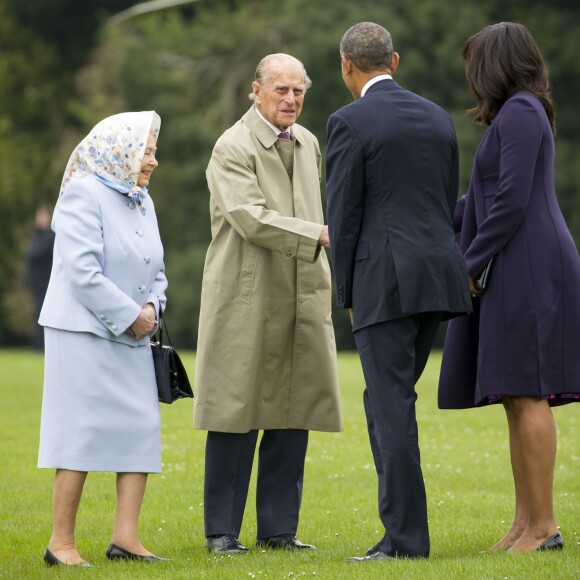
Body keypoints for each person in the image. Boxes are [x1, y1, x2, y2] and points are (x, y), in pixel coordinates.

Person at [326, 22, 472, 561]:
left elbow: (342, 217)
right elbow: (443, 199)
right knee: (387, 402)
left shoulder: (348, 121)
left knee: (390, 408)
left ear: (347, 65)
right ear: (395, 60)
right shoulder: (438, 117)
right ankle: (398, 534)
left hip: (383, 282)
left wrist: (345, 291)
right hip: (437, 276)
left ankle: (406, 543)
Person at [439, 22, 580, 553]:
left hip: (528, 266)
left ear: (496, 63)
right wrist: (427, 217)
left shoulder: (521, 112)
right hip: (516, 263)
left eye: (475, 65)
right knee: (515, 396)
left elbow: (512, 201)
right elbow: (481, 200)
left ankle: (544, 527)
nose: (472, 78)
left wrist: (469, 266)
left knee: (529, 391)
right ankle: (525, 524)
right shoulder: (516, 114)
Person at [195, 53, 342, 555]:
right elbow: (250, 217)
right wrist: (319, 235)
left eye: (299, 90)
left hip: (302, 292)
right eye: (280, 89)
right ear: (254, 91)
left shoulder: (309, 143)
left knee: (293, 410)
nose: (291, 99)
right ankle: (222, 533)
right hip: (247, 295)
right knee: (236, 412)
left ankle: (279, 531)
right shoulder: (230, 146)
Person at [37, 111, 168, 566]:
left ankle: (125, 540)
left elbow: (158, 271)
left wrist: (153, 307)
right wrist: (130, 315)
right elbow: (83, 273)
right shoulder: (82, 194)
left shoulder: (141, 199)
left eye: (152, 150)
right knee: (80, 433)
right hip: (82, 333)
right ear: (120, 149)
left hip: (133, 334)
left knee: (140, 429)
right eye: (146, 150)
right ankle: (61, 544)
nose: (152, 160)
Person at [23, 204, 55, 350]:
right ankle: (38, 346)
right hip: (38, 284)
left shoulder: (50, 236)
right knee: (37, 314)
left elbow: (35, 255)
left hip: (45, 283)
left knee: (43, 315)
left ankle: (42, 346)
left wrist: (28, 254)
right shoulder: (40, 236)